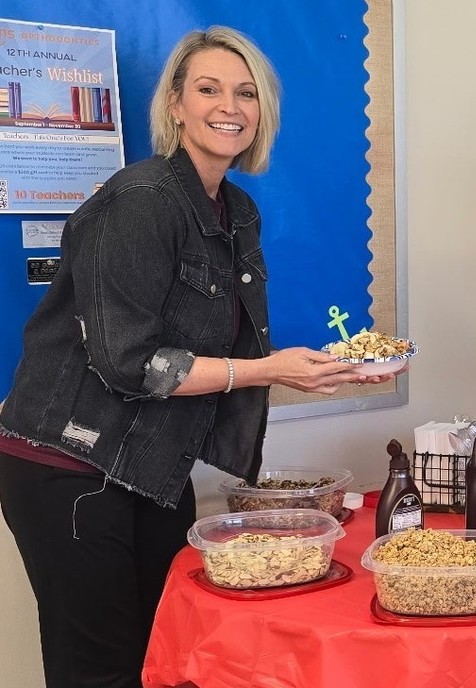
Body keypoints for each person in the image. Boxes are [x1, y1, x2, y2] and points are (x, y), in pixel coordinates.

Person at [0, 27, 394, 688]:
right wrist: (272, 371)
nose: (229, 106)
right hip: (69, 462)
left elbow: (236, 350)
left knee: (169, 651)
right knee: (101, 667)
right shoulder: (140, 201)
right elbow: (131, 364)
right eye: (208, 89)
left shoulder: (235, 210)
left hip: (152, 464)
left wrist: (332, 367)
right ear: (176, 105)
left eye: (246, 93)